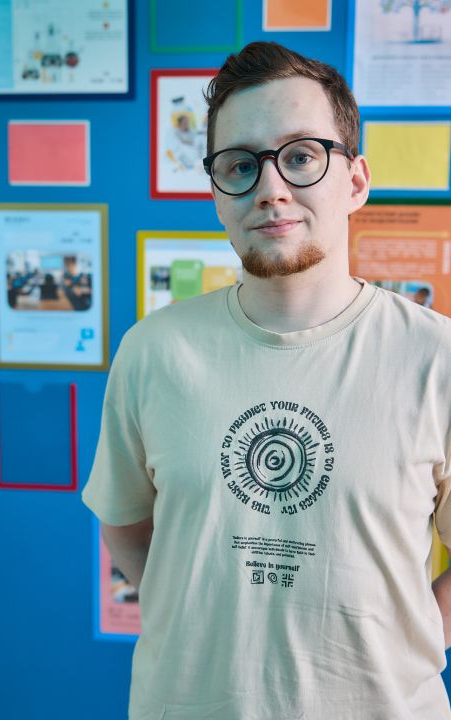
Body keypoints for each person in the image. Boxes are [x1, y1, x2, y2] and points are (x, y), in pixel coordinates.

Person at [82, 41, 451, 719]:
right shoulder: (153, 352)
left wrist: (407, 640)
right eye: (240, 164)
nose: (270, 188)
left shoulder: (438, 358)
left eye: (302, 156)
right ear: (217, 195)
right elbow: (126, 525)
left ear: (356, 181)